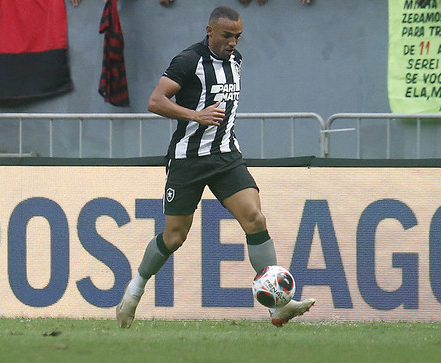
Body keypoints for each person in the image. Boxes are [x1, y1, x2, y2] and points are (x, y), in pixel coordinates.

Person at [116, 5, 315, 328]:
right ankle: (134, 291)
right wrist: (196, 115)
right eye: (226, 36)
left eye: (238, 36)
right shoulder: (188, 61)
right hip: (188, 160)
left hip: (225, 156)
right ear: (210, 31)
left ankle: (277, 306)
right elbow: (155, 101)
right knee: (175, 236)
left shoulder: (236, 61)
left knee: (255, 218)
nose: (233, 42)